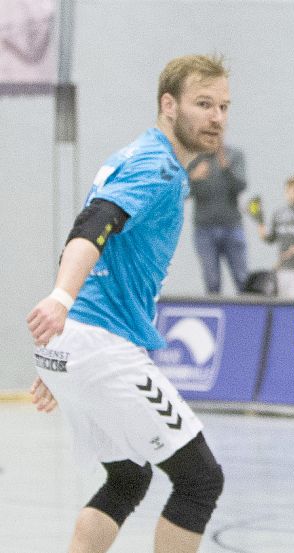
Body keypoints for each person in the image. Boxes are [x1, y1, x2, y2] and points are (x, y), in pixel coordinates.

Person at [25, 54, 230, 553]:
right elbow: (91, 227)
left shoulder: (136, 155)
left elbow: (89, 241)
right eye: (203, 104)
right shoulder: (156, 165)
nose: (216, 117)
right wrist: (59, 300)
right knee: (200, 479)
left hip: (80, 341)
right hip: (102, 344)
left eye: (224, 106)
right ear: (168, 105)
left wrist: (63, 339)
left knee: (128, 477)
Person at [186, 141, 249, 294]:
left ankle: (249, 316)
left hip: (232, 226)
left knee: (242, 278)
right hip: (204, 229)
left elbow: (241, 186)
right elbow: (182, 193)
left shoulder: (235, 155)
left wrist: (226, 168)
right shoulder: (195, 158)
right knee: (211, 280)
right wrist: (192, 177)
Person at [254, 175, 294, 300]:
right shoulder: (278, 214)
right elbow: (270, 238)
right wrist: (260, 225)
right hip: (283, 267)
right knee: (284, 299)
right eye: (291, 191)